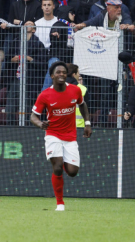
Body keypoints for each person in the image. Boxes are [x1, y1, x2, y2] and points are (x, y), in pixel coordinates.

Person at [30, 62, 91, 212]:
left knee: (72, 172)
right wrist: (40, 124)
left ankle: (62, 160)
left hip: (70, 136)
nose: (61, 74)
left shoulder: (75, 91)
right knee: (57, 167)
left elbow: (82, 105)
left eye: (64, 72)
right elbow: (33, 116)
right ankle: (60, 203)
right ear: (52, 76)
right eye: (58, 72)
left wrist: (87, 123)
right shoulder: (45, 95)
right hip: (53, 134)